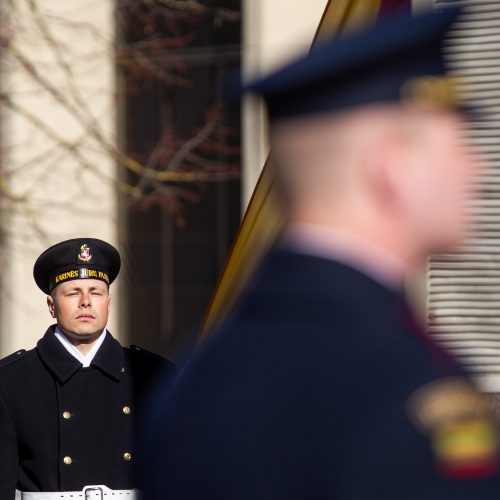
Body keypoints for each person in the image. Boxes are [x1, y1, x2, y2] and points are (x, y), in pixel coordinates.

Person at [140, 7, 500, 500]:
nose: (476, 169)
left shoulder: (202, 371)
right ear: (391, 166)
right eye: (460, 145)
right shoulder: (405, 382)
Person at [0, 238, 174, 499]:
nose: (85, 302)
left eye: (95, 292)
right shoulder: (13, 381)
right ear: (51, 305)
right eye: (72, 292)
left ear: (108, 301)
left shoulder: (152, 374)